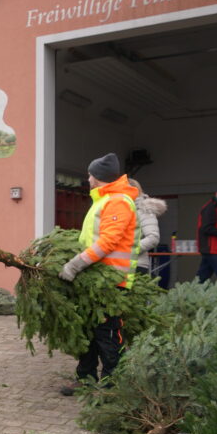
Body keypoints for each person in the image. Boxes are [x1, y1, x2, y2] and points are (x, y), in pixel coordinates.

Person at [58, 153, 141, 395]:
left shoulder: (118, 202)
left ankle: (114, 384)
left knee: (108, 333)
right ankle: (85, 377)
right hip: (95, 278)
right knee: (89, 331)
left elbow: (107, 242)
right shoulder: (103, 200)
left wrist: (74, 265)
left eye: (90, 174)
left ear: (99, 176)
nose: (88, 178)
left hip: (111, 280)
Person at [129, 179, 166, 275]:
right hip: (121, 264)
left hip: (137, 265)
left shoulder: (144, 209)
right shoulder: (124, 209)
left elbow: (153, 238)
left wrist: (130, 250)